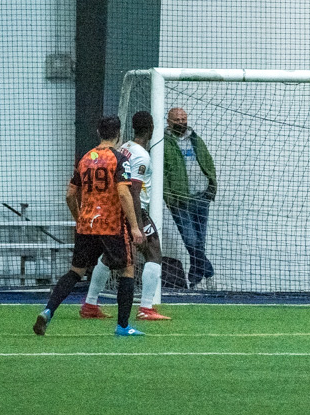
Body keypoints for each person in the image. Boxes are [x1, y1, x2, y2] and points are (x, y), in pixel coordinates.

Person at [35, 115, 145, 337]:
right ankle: (123, 326)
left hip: (87, 225)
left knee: (75, 271)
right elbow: (123, 193)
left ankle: (48, 310)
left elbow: (70, 195)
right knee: (127, 269)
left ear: (98, 132)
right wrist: (134, 227)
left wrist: (80, 219)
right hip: (111, 225)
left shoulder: (85, 159)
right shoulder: (119, 159)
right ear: (118, 134)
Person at [85, 110, 172, 321]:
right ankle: (146, 308)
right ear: (151, 129)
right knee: (153, 252)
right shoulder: (142, 155)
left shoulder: (125, 147)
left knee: (110, 257)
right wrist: (137, 225)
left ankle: (90, 304)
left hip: (115, 209)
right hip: (133, 209)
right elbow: (133, 190)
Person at [163, 106, 217, 287]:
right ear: (169, 121)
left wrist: (211, 186)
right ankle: (208, 273)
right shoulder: (163, 143)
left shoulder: (195, 139)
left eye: (183, 119)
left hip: (202, 197)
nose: (181, 122)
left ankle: (196, 278)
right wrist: (169, 198)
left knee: (199, 241)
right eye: (177, 120)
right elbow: (161, 174)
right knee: (190, 240)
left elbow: (207, 161)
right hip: (180, 200)